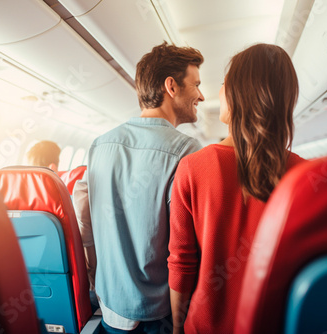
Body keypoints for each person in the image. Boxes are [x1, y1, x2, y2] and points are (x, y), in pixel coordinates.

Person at [167, 43, 306, 334]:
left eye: (223, 84)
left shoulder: (193, 168)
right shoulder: (306, 175)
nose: (217, 93)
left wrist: (178, 328)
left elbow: (181, 263)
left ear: (237, 94)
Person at [73, 42, 205, 333]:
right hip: (158, 315)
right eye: (196, 84)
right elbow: (185, 249)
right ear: (171, 86)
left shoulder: (99, 145)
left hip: (110, 308)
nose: (202, 95)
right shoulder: (187, 151)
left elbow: (85, 225)